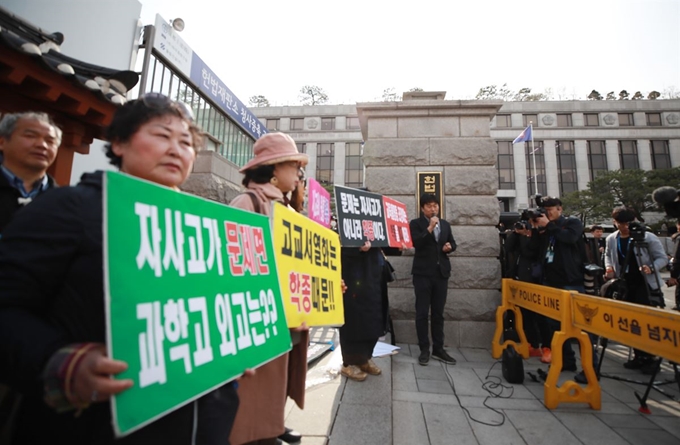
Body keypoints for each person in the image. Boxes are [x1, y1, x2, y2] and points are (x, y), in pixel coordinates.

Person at [0, 94, 239, 444]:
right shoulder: (70, 207)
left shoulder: (209, 230)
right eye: (161, 135)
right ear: (119, 143)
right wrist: (60, 363)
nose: (176, 149)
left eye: (186, 142)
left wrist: (239, 346)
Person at [228, 132, 309, 445]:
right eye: (294, 166)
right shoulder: (246, 204)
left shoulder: (285, 210)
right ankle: (255, 433)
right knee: (257, 382)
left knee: (276, 377)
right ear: (274, 170)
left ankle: (271, 425)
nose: (299, 174)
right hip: (256, 316)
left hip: (283, 316)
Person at [528, 197, 598, 382]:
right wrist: (536, 230)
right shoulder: (546, 228)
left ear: (559, 209)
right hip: (550, 282)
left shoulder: (571, 223)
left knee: (580, 327)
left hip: (571, 281)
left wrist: (549, 226)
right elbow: (533, 251)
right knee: (555, 327)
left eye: (550, 209)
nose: (547, 213)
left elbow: (569, 238)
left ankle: (592, 368)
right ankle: (566, 361)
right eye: (545, 210)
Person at [603, 206, 668, 373]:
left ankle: (652, 358)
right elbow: (608, 255)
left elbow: (662, 257)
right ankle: (639, 356)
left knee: (649, 321)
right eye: (621, 223)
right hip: (625, 284)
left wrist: (651, 267)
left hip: (645, 284)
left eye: (628, 223)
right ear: (615, 222)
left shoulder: (647, 237)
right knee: (632, 322)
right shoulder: (612, 238)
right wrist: (609, 268)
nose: (625, 227)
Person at [409, 193, 457, 366]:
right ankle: (424, 349)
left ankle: (439, 348)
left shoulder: (445, 224)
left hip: (441, 274)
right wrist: (429, 228)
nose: (433, 208)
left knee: (438, 313)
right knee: (422, 313)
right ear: (422, 208)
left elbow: (453, 243)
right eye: (429, 206)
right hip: (422, 274)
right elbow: (415, 243)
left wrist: (449, 247)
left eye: (435, 205)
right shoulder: (416, 224)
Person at [0, 111, 62, 235]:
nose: (42, 145)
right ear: (2, 142)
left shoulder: (64, 202)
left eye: (50, 141)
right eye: (30, 136)